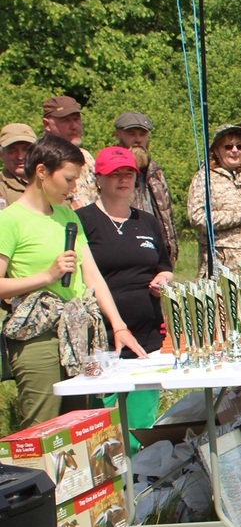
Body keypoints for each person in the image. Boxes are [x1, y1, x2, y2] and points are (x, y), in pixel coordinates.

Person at [0, 136, 146, 429]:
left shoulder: (68, 216)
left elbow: (91, 276)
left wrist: (118, 326)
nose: (73, 188)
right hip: (38, 339)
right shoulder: (10, 220)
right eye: (68, 179)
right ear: (42, 172)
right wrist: (47, 277)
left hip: (79, 334)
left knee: (82, 425)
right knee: (43, 428)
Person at [77, 146, 173, 451]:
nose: (122, 180)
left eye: (128, 173)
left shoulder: (147, 222)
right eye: (114, 174)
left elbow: (165, 265)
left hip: (147, 335)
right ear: (98, 179)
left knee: (141, 419)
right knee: (104, 423)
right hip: (102, 338)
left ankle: (139, 476)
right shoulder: (82, 221)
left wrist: (164, 278)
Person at [187, 124, 241, 273]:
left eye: (240, 146)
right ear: (216, 150)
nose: (235, 151)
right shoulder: (204, 178)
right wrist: (238, 216)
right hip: (223, 265)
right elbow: (197, 218)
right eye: (228, 147)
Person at [113, 111, 179, 267]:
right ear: (117, 135)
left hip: (157, 255)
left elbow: (166, 215)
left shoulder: (154, 171)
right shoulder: (109, 173)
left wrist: (171, 251)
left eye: (142, 134)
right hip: (125, 257)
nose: (137, 140)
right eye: (131, 134)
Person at [40, 96, 97, 208]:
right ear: (47, 125)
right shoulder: (41, 159)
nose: (74, 126)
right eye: (65, 120)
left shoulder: (86, 157)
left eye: (76, 119)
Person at [0, 123, 36, 209]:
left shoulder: (53, 181)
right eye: (12, 151)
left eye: (26, 149)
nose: (20, 157)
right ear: (1, 154)